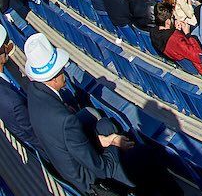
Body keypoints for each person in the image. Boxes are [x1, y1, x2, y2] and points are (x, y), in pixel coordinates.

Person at [23, 33, 134, 194]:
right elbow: (102, 168)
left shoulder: (34, 91)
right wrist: (115, 143)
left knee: (105, 125)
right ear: (53, 79)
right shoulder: (65, 121)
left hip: (65, 159)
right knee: (140, 158)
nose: (65, 72)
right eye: (62, 69)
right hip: (92, 181)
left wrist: (99, 140)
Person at [0, 24, 41, 153]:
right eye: (5, 46)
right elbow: (36, 134)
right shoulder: (12, 102)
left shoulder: (5, 82)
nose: (8, 47)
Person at [149, 3, 202, 75]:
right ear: (167, 22)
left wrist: (177, 30)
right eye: (172, 17)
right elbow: (198, 57)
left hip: (183, 62)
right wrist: (187, 34)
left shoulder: (154, 33)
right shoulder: (175, 39)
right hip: (200, 68)